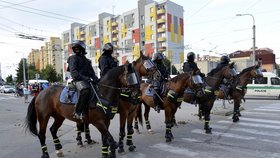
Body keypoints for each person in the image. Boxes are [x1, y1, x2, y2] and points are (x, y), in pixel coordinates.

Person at [67, 40, 99, 120]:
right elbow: (74, 72)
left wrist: (96, 80)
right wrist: (85, 78)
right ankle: (78, 112)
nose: (77, 49)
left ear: (83, 49)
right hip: (78, 80)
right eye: (75, 48)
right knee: (85, 91)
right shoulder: (72, 58)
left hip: (87, 80)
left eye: (78, 48)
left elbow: (92, 72)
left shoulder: (87, 61)